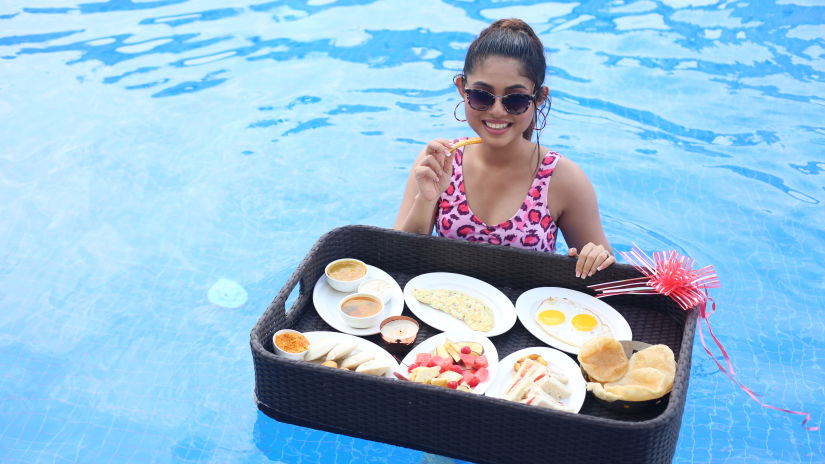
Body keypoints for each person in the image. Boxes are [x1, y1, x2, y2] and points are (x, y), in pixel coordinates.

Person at [393, 18, 615, 279]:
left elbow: (608, 277)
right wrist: (425, 201)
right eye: (481, 96)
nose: (497, 111)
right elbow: (396, 259)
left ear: (539, 98)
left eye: (516, 100)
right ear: (462, 90)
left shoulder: (562, 179)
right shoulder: (441, 160)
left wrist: (594, 258)